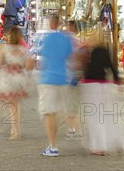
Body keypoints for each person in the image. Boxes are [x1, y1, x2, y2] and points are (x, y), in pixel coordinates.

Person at [79, 28, 124, 156]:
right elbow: (111, 67)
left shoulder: (91, 52)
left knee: (94, 118)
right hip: (104, 85)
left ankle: (99, 147)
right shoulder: (105, 51)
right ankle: (118, 141)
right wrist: (118, 82)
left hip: (91, 86)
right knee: (106, 116)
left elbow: (88, 70)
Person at [38, 15, 73, 157]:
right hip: (63, 79)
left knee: (49, 113)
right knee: (59, 112)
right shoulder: (66, 39)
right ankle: (61, 136)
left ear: (50, 24)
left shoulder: (47, 39)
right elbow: (70, 57)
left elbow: (43, 59)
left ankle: (53, 146)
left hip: (49, 80)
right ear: (59, 24)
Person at [0, 26, 32, 140]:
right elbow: (27, 65)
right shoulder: (24, 50)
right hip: (20, 79)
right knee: (16, 105)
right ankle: (15, 130)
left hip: (7, 79)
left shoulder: (3, 47)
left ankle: (12, 127)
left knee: (4, 102)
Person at [65, 20, 85, 140]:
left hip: (71, 77)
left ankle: (74, 130)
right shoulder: (80, 42)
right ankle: (76, 129)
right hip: (78, 76)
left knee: (71, 105)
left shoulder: (69, 41)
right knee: (74, 105)